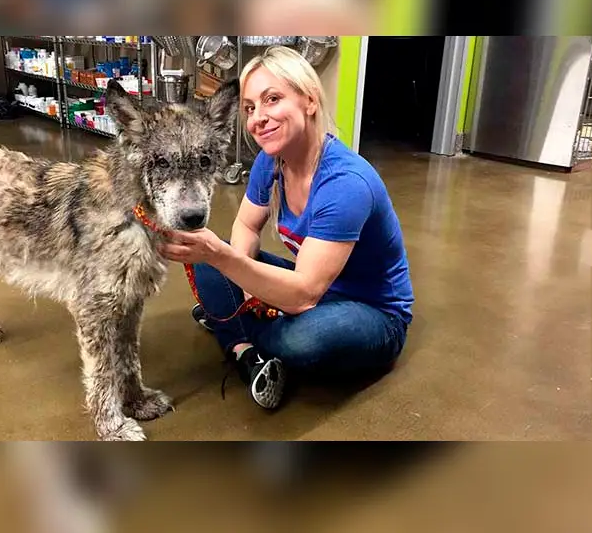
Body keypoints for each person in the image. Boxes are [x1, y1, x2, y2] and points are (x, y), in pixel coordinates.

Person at [160, 46, 413, 410]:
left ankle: (230, 326)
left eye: (272, 99)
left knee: (303, 340)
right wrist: (236, 272)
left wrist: (239, 280)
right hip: (309, 285)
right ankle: (247, 353)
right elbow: (247, 224)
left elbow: (305, 294)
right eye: (250, 108)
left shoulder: (346, 183)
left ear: (309, 101)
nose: (258, 118)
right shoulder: (271, 161)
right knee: (209, 256)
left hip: (372, 312)